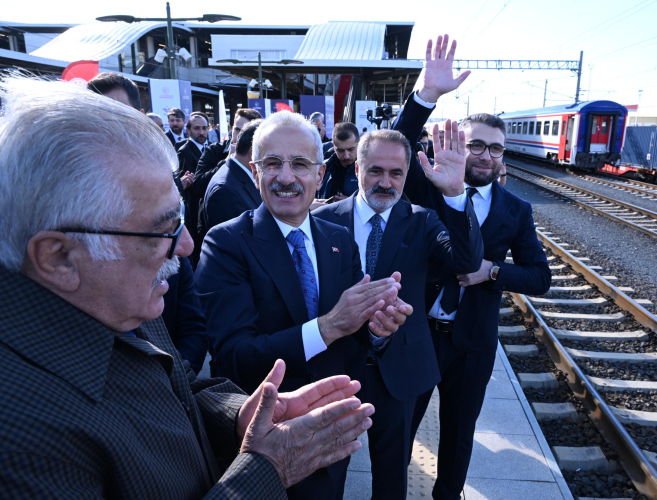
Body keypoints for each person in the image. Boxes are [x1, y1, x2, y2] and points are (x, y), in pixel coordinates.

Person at [0, 75, 376, 499]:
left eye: (179, 219)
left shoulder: (127, 295)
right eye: (161, 229)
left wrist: (237, 413)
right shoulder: (20, 436)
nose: (185, 245)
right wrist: (268, 470)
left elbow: (176, 385)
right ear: (59, 257)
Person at [194, 111, 413, 500]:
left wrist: (377, 329)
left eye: (299, 164)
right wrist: (328, 326)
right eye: (273, 163)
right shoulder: (226, 243)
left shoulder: (338, 238)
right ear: (254, 170)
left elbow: (354, 330)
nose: (286, 177)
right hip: (265, 443)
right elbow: (233, 356)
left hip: (333, 427)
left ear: (320, 172)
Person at [391, 35, 551, 500]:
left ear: (504, 157)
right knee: (401, 431)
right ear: (459, 142)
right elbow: (397, 143)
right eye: (476, 145)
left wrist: (492, 272)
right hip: (417, 332)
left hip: (473, 343)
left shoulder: (516, 210)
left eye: (495, 149)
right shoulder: (428, 185)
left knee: (458, 438)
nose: (485, 155)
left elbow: (539, 277)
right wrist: (426, 96)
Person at [312, 127, 483, 499]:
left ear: (408, 174)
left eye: (396, 173)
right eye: (375, 170)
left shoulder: (423, 221)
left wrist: (455, 193)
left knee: (392, 478)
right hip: (335, 371)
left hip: (401, 373)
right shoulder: (324, 220)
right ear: (356, 168)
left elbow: (466, 261)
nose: (385, 182)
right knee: (326, 474)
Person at [200, 119, 263, 236]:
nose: (274, 161)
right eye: (271, 154)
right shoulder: (225, 191)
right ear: (253, 152)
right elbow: (235, 246)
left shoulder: (238, 176)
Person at [177, 111, 210, 267]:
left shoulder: (208, 149)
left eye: (204, 128)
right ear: (188, 130)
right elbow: (192, 185)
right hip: (193, 211)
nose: (201, 132)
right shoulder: (185, 152)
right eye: (197, 128)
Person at [314, 122, 360, 206]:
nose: (346, 156)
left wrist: (354, 203)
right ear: (333, 146)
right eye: (340, 151)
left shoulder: (368, 170)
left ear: (358, 144)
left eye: (351, 149)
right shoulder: (324, 168)